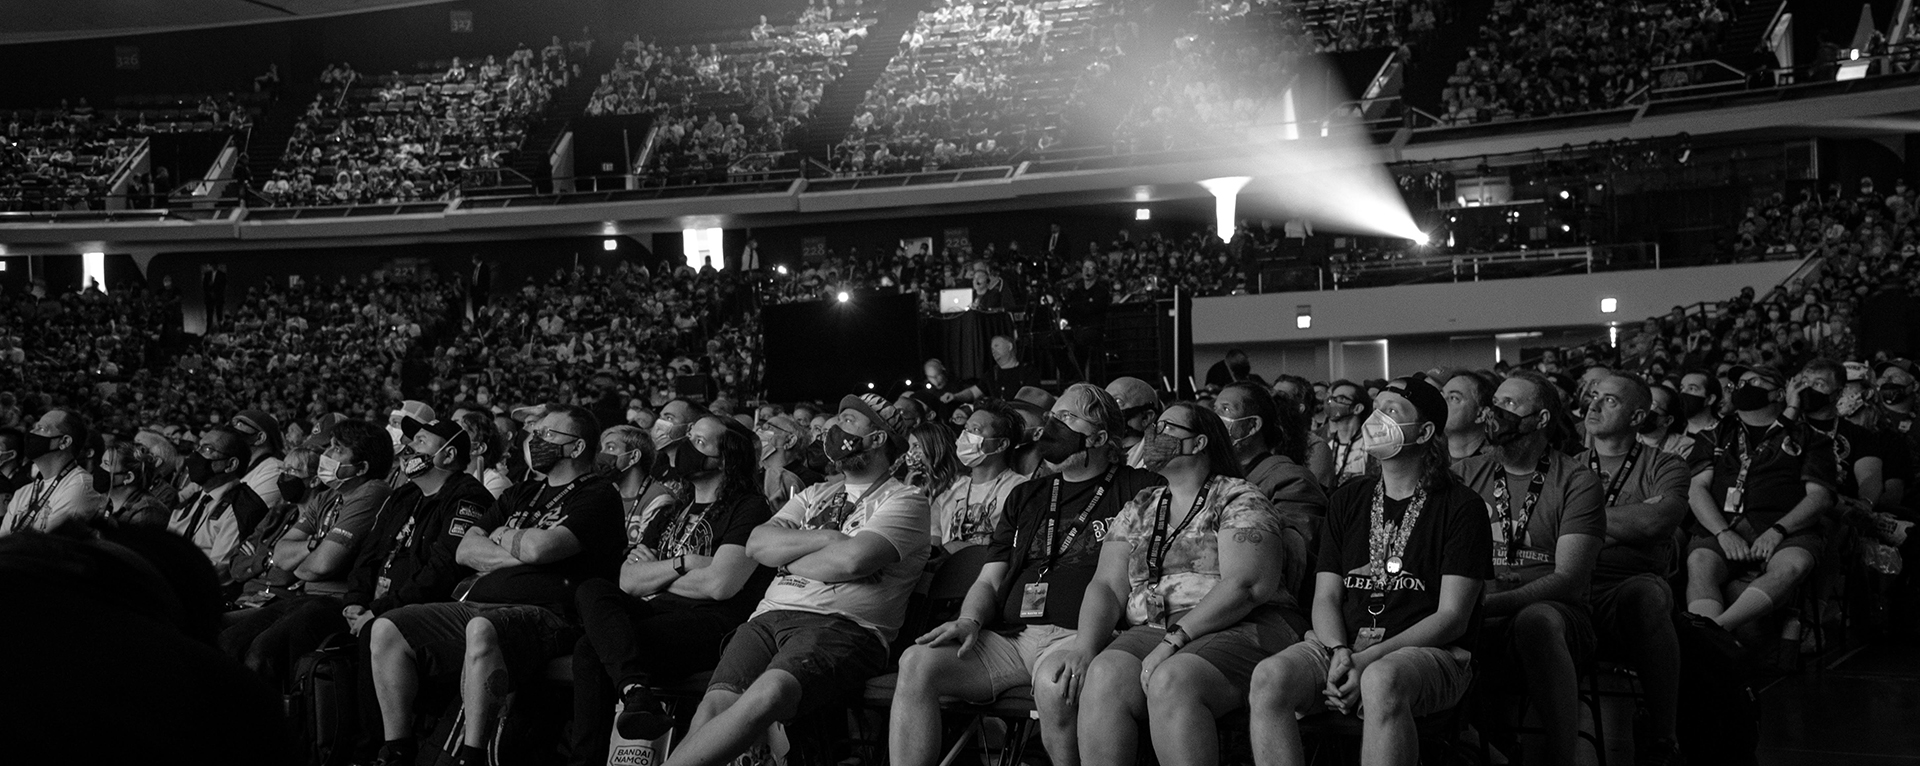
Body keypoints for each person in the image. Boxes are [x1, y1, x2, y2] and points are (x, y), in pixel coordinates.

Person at [891, 384, 1163, 766]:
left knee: (1056, 684)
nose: (1052, 425)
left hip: (1081, 636)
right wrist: (969, 619)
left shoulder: (1137, 488)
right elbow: (989, 579)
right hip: (1013, 639)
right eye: (1053, 416)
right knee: (916, 663)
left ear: (1099, 437)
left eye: (1067, 418)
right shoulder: (1028, 495)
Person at [661, 394, 928, 766]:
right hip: (768, 618)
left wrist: (788, 559)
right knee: (713, 705)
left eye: (849, 421)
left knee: (769, 692)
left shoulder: (906, 499)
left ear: (878, 439)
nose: (835, 428)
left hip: (844, 627)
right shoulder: (814, 493)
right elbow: (757, 545)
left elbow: (853, 561)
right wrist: (828, 539)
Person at [1248, 376, 1491, 766]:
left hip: (1428, 652)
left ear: (1425, 431)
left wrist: (1368, 660)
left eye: (1393, 412)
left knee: (1381, 680)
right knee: (1269, 678)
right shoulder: (1349, 499)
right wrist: (1340, 652)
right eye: (1377, 409)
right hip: (1342, 646)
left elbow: (1452, 618)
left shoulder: (1462, 507)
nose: (1377, 419)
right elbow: (1326, 595)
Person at [368, 405, 623, 766]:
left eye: (549, 435)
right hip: (480, 605)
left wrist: (506, 538)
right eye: (536, 434)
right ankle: (397, 751)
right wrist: (524, 549)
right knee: (387, 628)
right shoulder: (522, 493)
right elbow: (466, 549)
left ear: (578, 448)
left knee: (480, 628)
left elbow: (544, 546)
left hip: (551, 616)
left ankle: (473, 756)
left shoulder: (598, 494)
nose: (535, 440)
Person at [1074, 402, 1301, 766]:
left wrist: (1174, 639)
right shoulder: (1141, 505)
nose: (1153, 436)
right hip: (1155, 625)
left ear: (1198, 444)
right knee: (1103, 676)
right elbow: (1105, 585)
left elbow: (1246, 586)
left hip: (1242, 624)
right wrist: (1085, 648)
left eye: (1167, 429)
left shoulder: (1238, 496)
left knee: (1172, 679)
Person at [569, 415, 775, 766]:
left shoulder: (749, 508)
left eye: (699, 443)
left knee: (590, 648)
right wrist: (687, 563)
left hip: (712, 623)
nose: (684, 449)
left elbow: (721, 585)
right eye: (688, 438)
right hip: (659, 610)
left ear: (726, 459)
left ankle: (626, 706)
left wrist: (661, 571)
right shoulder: (674, 509)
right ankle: (636, 694)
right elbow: (627, 581)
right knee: (592, 589)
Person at [1452, 370, 1604, 766]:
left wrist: (1484, 606)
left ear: (1540, 420)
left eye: (1511, 404)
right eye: (1495, 402)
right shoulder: (1465, 474)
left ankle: (1561, 757)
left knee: (1535, 620)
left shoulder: (1577, 480)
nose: (1495, 412)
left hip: (1558, 617)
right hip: (1478, 611)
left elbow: (1569, 581)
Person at [339, 415, 494, 762]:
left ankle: (374, 752)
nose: (410, 448)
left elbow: (441, 572)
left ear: (449, 455)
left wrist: (376, 611)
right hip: (370, 605)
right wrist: (354, 601)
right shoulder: (404, 495)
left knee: (373, 634)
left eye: (421, 442)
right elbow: (370, 552)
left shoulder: (467, 498)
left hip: (420, 611)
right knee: (308, 621)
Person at [1574, 374, 1691, 765]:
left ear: (1638, 416)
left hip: (1624, 585)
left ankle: (1664, 734)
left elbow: (1656, 524)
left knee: (1650, 595)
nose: (1593, 406)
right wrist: (1627, 520)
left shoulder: (1667, 465)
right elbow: (1544, 530)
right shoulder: (1565, 467)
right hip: (1570, 581)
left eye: (1609, 400)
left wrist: (1580, 524)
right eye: (1593, 397)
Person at [1684, 365, 1836, 633]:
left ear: (1779, 394)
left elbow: (1820, 497)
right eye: (1738, 384)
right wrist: (1722, 532)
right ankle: (1710, 635)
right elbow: (1696, 489)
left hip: (1785, 528)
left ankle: (1715, 631)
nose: (1743, 388)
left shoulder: (1809, 437)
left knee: (1793, 565)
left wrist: (1778, 530)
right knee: (1700, 563)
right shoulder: (1715, 434)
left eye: (1753, 382)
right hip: (1725, 525)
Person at [168, 427, 269, 577]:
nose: (196, 455)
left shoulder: (242, 509)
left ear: (230, 465)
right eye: (198, 447)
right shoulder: (193, 499)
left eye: (207, 449)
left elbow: (217, 572)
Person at [931, 402, 1027, 550]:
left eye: (976, 430)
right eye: (966, 429)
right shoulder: (950, 493)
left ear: (1001, 444)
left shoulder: (1019, 490)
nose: (965, 436)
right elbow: (933, 545)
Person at [2, 409, 105, 535]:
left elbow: (50, 546)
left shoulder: (81, 486)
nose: (32, 433)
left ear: (64, 442)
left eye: (42, 429)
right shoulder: (22, 493)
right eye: (34, 428)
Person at [98, 440, 170, 528]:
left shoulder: (146, 512)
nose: (100, 468)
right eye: (101, 462)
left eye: (106, 464)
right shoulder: (107, 502)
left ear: (128, 477)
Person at [756, 415, 820, 507]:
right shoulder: (752, 478)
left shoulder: (811, 482)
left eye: (768, 428)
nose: (759, 433)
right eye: (761, 429)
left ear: (790, 441)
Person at [231, 410, 288, 508]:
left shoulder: (275, 472)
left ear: (260, 438)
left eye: (239, 433)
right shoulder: (238, 466)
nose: (233, 438)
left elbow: (245, 516)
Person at [1322, 380, 1370, 487]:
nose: (1332, 403)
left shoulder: (1371, 446)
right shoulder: (1326, 445)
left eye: (1341, 399)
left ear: (1357, 408)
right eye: (1331, 399)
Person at [1106, 376, 1160, 470]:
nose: (1104, 409)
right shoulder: (1096, 457)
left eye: (1117, 401)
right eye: (1104, 401)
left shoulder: (1157, 466)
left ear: (1146, 418)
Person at [1442, 370, 1494, 462]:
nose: (1441, 402)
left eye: (1454, 398)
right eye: (1441, 395)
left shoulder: (1497, 465)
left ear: (1481, 414)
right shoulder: (1426, 458)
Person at [1678, 370, 1723, 436]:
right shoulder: (1676, 431)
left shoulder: (1724, 432)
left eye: (1692, 388)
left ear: (1710, 399)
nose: (1683, 392)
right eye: (1682, 388)